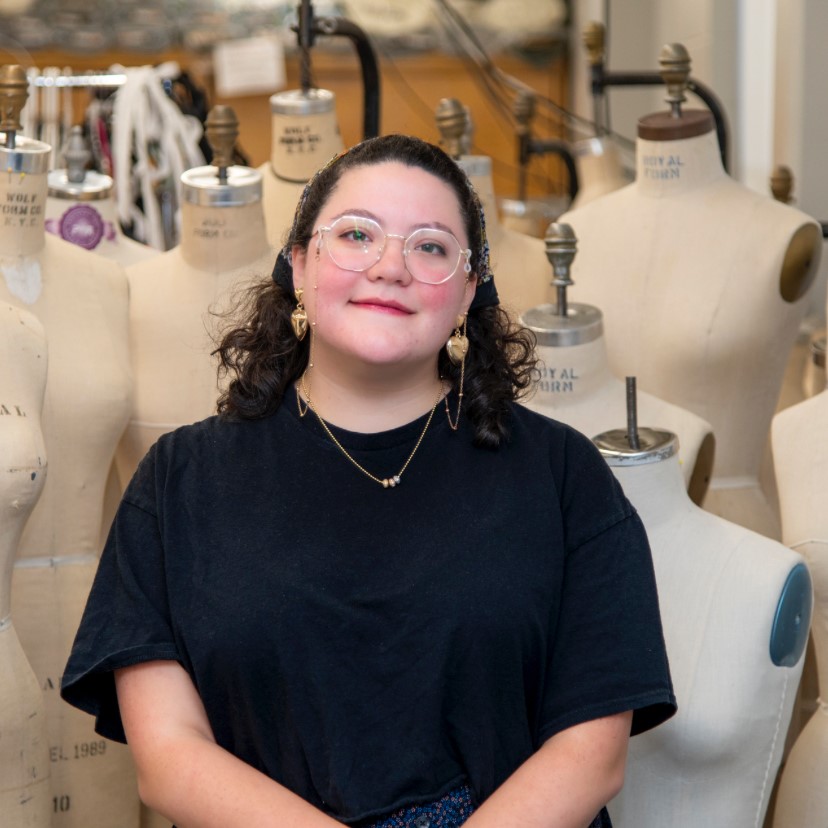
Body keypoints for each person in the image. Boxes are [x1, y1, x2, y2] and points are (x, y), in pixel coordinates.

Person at [61, 134, 676, 828]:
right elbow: (169, 759)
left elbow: (593, 754)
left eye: (430, 246)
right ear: (299, 264)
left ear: (468, 291)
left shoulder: (564, 476)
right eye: (357, 234)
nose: (390, 267)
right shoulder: (178, 483)